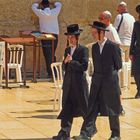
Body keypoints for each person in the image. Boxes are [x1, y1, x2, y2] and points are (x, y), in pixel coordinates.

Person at [74, 21, 122, 140]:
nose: (93, 35)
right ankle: (86, 133)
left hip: (110, 81)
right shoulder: (94, 47)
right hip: (97, 80)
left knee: (112, 108)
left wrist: (109, 75)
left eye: (95, 33)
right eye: (93, 33)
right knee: (92, 107)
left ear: (102, 33)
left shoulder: (113, 46)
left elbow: (118, 65)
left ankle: (116, 134)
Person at [53, 24, 89, 140]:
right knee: (67, 108)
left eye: (72, 37)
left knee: (84, 108)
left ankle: (87, 132)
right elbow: (65, 67)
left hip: (79, 84)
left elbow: (84, 67)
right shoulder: (67, 50)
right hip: (69, 83)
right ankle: (64, 133)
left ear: (77, 37)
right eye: (69, 37)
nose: (70, 39)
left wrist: (71, 61)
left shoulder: (83, 49)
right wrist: (65, 61)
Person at [99, 10, 125, 115]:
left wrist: (115, 63)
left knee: (115, 86)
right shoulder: (105, 30)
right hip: (106, 64)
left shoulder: (111, 30)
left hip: (112, 64)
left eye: (101, 18)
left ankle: (120, 107)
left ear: (108, 20)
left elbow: (117, 45)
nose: (99, 20)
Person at [32, 0, 62, 78]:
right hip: (54, 36)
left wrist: (38, 2)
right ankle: (53, 72)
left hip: (45, 36)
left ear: (42, 6)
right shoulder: (55, 12)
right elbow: (59, 4)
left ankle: (52, 73)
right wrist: (52, 2)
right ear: (49, 5)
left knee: (47, 54)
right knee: (51, 54)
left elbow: (33, 6)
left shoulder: (41, 13)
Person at [129, 4, 140, 99]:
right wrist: (131, 52)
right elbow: (133, 38)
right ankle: (139, 89)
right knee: (136, 72)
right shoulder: (136, 24)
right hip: (137, 51)